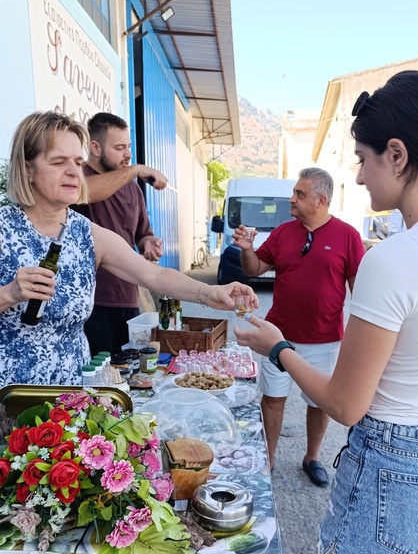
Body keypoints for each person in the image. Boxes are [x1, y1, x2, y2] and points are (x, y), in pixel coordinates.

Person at [234, 70, 418, 554]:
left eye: (363, 157)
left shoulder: (394, 258)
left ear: (398, 155)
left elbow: (347, 402)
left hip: (391, 460)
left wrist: (279, 348)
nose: (357, 174)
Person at [0, 111, 258, 387]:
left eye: (78, 162)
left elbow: (154, 276)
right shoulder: (5, 229)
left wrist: (209, 293)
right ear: (27, 168)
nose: (74, 172)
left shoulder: (87, 233)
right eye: (58, 162)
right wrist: (8, 294)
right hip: (10, 392)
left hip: (71, 396)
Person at [233, 167, 364, 485]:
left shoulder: (348, 236)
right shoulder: (283, 232)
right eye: (294, 192)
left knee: (319, 402)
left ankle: (313, 457)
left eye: (300, 194)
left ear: (321, 200)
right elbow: (256, 268)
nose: (291, 199)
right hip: (277, 334)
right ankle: (270, 458)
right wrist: (247, 249)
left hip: (324, 340)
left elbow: (359, 290)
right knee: (273, 398)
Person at [74, 112, 167, 356]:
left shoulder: (132, 188)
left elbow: (142, 235)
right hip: (91, 303)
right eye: (119, 147)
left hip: (128, 298)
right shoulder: (78, 178)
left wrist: (149, 244)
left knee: (131, 374)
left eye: (128, 147)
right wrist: (136, 170)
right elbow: (86, 192)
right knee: (96, 383)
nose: (128, 154)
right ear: (95, 147)